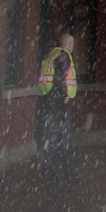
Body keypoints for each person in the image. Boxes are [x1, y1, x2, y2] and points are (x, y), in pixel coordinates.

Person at [36, 33, 80, 181]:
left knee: (52, 137)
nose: (72, 47)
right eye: (71, 45)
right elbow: (59, 77)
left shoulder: (51, 54)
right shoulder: (64, 56)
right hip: (59, 102)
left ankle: (50, 173)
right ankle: (70, 173)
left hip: (47, 99)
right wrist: (65, 94)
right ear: (68, 45)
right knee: (64, 137)